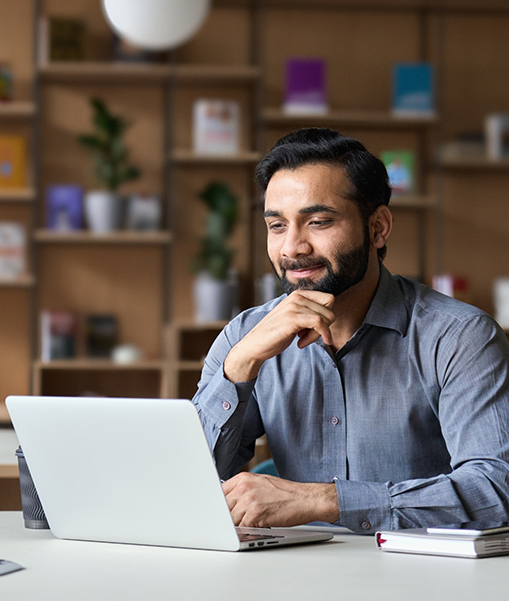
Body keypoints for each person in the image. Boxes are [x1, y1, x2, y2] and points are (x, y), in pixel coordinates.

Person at [192, 128, 509, 534]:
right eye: (276, 226)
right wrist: (239, 367)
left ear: (378, 228)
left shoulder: (460, 337)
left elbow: (495, 490)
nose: (292, 247)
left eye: (318, 221)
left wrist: (322, 501)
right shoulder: (246, 336)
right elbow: (188, 486)